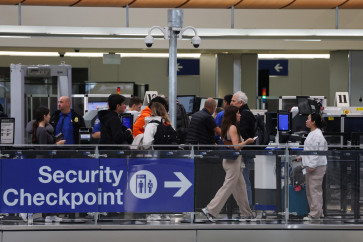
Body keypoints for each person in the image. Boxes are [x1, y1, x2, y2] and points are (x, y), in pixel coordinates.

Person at [201, 106, 255, 222]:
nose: (240, 115)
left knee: (241, 187)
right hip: (233, 162)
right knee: (228, 186)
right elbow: (236, 147)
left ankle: (247, 213)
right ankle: (210, 210)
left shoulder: (226, 127)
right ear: (233, 115)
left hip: (229, 160)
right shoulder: (233, 128)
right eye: (238, 113)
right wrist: (247, 141)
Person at [31, 106, 65, 223]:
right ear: (44, 116)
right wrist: (57, 144)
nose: (50, 117)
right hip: (44, 163)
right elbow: (43, 147)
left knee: (48, 189)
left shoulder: (40, 130)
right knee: (48, 189)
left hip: (44, 162)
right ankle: (48, 214)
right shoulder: (42, 130)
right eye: (49, 115)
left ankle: (50, 214)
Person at [299, 113, 327, 221]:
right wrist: (301, 157)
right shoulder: (312, 133)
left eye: (308, 119)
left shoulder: (318, 135)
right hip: (310, 166)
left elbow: (316, 152)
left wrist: (312, 166)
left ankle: (315, 214)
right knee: (310, 191)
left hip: (316, 167)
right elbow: (308, 149)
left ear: (314, 121)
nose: (306, 121)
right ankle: (316, 212)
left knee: (314, 190)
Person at [230, 91, 255, 209]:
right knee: (242, 182)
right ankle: (245, 208)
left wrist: (236, 134)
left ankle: (247, 209)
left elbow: (244, 133)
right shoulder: (247, 113)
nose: (231, 103)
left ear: (241, 102)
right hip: (246, 152)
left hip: (245, 153)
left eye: (233, 101)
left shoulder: (244, 115)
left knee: (245, 182)